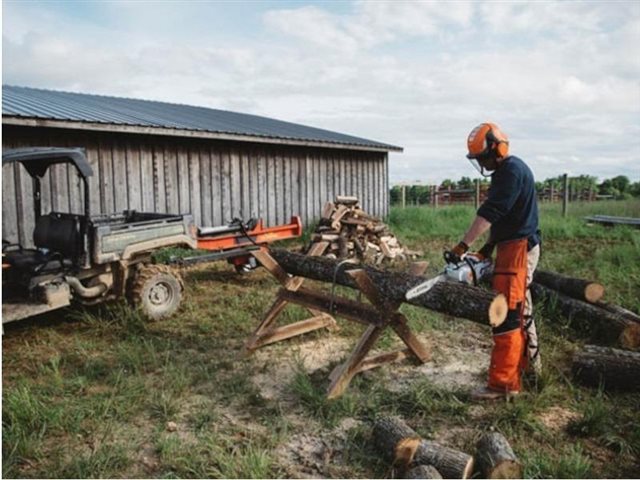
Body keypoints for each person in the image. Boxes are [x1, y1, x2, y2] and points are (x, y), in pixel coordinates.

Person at [447, 122, 541, 401]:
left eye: (485, 157)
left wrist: (463, 246)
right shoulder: (507, 171)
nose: (483, 163)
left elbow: (491, 212)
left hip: (519, 251)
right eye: (480, 160)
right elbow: (504, 219)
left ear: (498, 148)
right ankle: (530, 370)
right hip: (511, 247)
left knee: (507, 317)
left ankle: (503, 385)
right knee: (520, 310)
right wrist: (486, 250)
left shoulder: (511, 171)